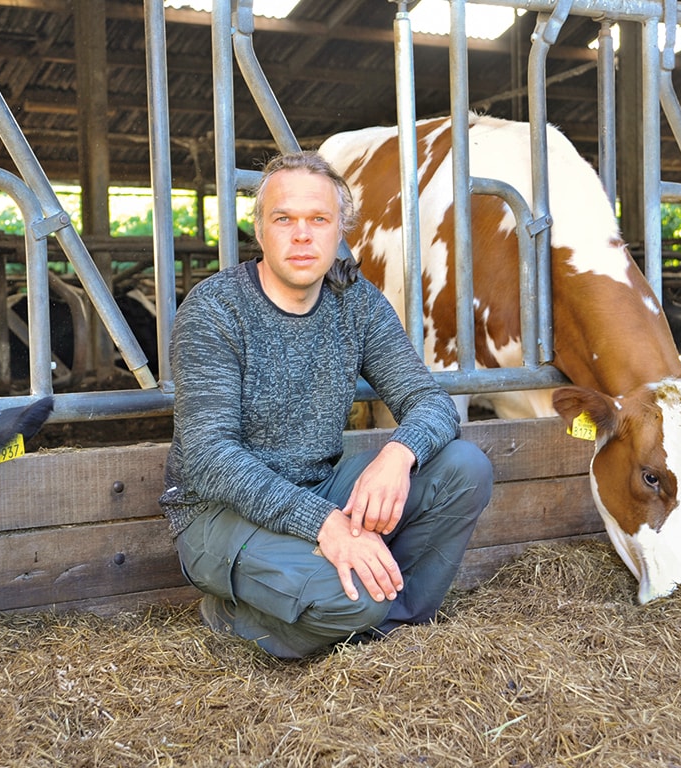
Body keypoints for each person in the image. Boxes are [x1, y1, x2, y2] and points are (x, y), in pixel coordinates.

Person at [159, 150, 494, 659]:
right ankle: (233, 616)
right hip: (218, 516)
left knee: (464, 467)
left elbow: (429, 401)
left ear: (341, 230)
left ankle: (383, 630)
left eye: (318, 220)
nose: (301, 235)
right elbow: (209, 459)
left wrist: (397, 455)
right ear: (260, 229)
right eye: (284, 219)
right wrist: (326, 525)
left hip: (321, 488)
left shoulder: (355, 302)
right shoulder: (215, 309)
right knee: (352, 598)